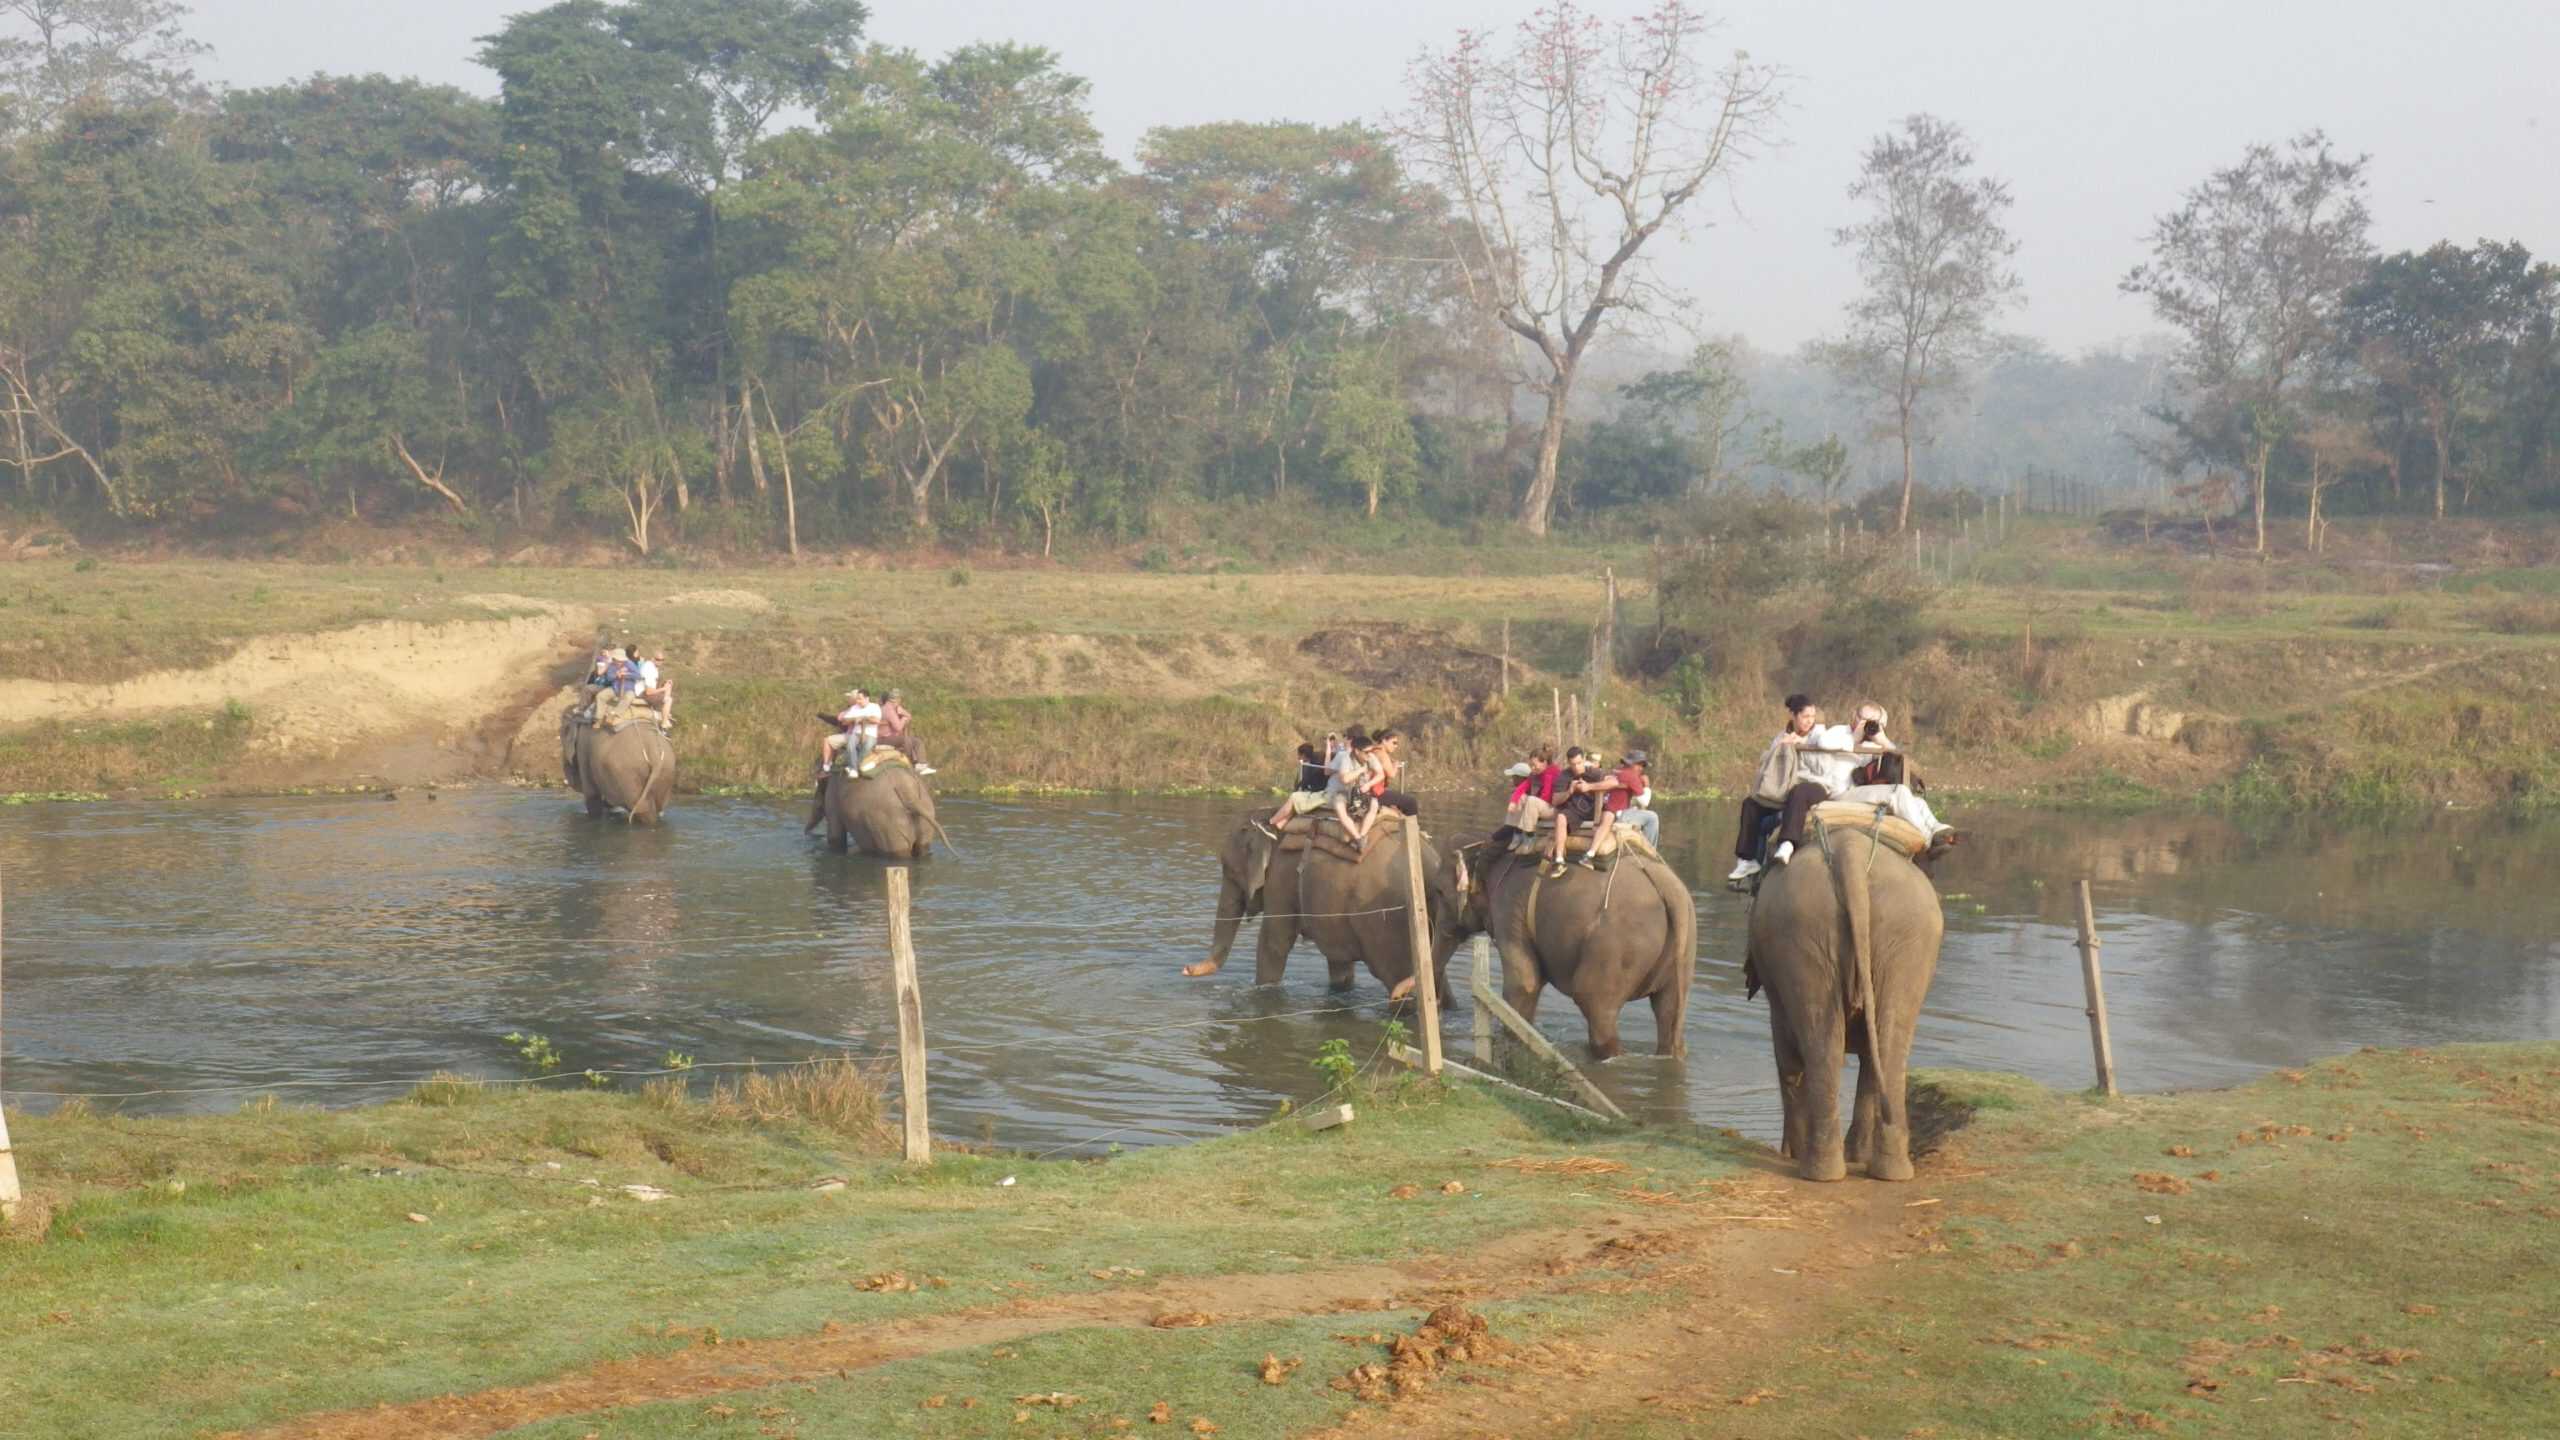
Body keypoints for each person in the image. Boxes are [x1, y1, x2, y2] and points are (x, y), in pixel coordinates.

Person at [1727, 694, 1875, 884]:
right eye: (1805, 716)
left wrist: (1802, 746)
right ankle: (1747, 860)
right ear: (1793, 716)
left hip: (1817, 785)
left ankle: (1787, 843)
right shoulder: (1782, 736)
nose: (1809, 721)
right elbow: (1769, 765)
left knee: (1800, 792)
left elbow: (1823, 768)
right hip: (1786, 787)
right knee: (1751, 804)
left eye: (1812, 716)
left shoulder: (1820, 735)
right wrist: (1781, 748)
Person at [1835, 704, 1957, 850]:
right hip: (1842, 793)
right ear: (1854, 716)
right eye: (1863, 718)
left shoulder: (1876, 743)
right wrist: (1856, 737)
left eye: (1873, 722)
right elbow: (1824, 743)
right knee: (1898, 792)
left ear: (1882, 725)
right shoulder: (1839, 733)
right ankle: (1927, 840)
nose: (1866, 724)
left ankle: (1937, 829)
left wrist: (1883, 741)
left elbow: (1907, 764)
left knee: (1916, 801)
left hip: (1862, 793)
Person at [1258, 734, 1338, 838]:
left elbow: (1306, 781)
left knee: (1294, 798)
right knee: (1295, 802)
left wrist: (1298, 790)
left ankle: (1270, 823)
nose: (1298, 758)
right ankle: (1279, 825)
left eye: (1299, 755)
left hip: (1320, 791)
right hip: (1319, 788)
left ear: (1304, 755)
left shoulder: (1312, 764)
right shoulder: (1315, 759)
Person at [1543, 747, 1603, 875]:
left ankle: (1590, 855)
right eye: (1573, 764)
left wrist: (1589, 787)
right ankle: (1559, 860)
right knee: (1561, 817)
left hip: (1593, 810)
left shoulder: (1595, 773)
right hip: (1574, 811)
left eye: (1579, 763)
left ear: (1585, 759)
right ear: (1568, 763)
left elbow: (1604, 790)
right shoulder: (1564, 776)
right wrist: (1570, 790)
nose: (1576, 767)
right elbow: (1555, 801)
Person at [1327, 726, 1376, 846]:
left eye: (1346, 737)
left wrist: (1369, 783)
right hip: (1344, 792)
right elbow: (1344, 779)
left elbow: (1381, 772)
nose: (1369, 754)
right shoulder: (1345, 757)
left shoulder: (1369, 756)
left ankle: (1362, 836)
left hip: (1359, 793)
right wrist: (1361, 771)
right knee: (1339, 806)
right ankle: (1357, 837)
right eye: (1367, 752)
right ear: (1357, 750)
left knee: (1374, 804)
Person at [876, 688, 934, 775]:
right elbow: (898, 727)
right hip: (884, 738)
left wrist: (902, 712)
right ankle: (911, 762)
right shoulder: (889, 710)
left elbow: (909, 716)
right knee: (909, 740)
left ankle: (919, 763)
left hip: (890, 736)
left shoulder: (893, 708)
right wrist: (903, 719)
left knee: (914, 740)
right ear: (897, 699)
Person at [1366, 727, 1418, 818]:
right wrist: (1395, 766)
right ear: (1384, 741)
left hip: (1371, 790)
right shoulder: (1382, 754)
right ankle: (1411, 827)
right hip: (1376, 792)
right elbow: (1392, 774)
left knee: (1399, 800)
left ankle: (1396, 816)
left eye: (1397, 744)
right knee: (1411, 802)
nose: (1396, 746)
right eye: (1394, 743)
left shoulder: (1374, 750)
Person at [1615, 750, 1660, 851]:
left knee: (1636, 809)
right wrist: (1647, 785)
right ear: (1630, 763)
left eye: (1643, 766)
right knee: (1652, 817)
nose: (1641, 768)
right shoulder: (1631, 776)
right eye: (1638, 765)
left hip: (1611, 811)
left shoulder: (1617, 771)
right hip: (1618, 814)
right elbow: (1645, 802)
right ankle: (1649, 850)